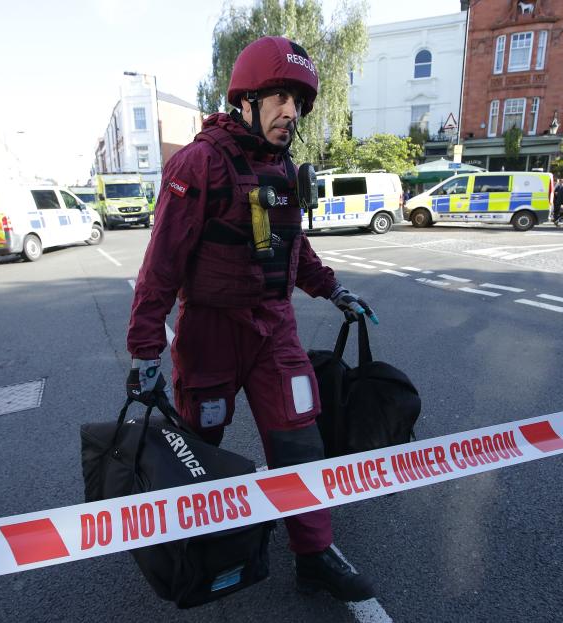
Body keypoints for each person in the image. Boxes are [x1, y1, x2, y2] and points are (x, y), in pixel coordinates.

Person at [125, 36, 377, 602]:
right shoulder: (199, 163)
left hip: (274, 329)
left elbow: (294, 246)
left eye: (299, 102)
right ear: (247, 100)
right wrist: (145, 349)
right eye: (280, 97)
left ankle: (313, 554)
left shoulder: (282, 169)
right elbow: (162, 262)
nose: (291, 112)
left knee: (298, 442)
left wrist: (332, 289)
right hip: (211, 331)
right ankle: (189, 542)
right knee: (199, 442)